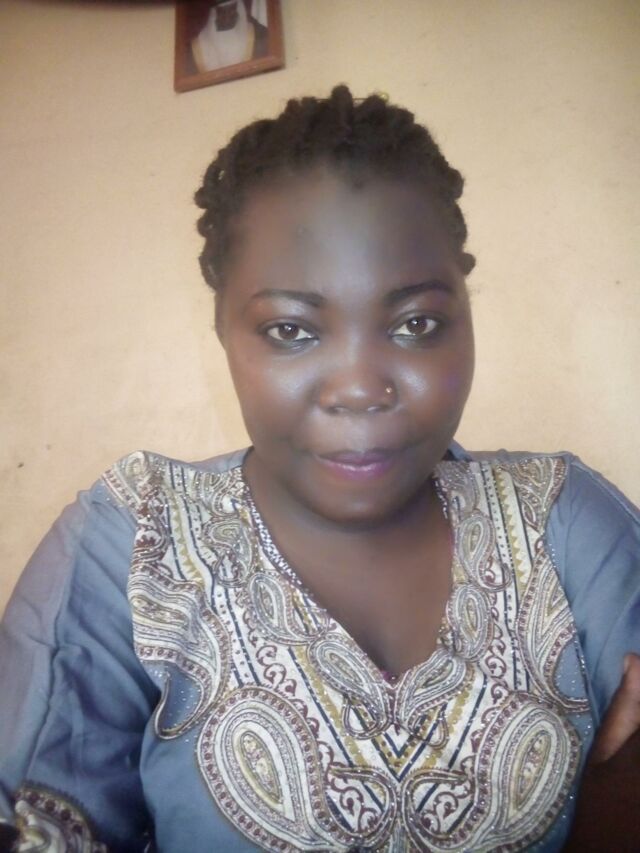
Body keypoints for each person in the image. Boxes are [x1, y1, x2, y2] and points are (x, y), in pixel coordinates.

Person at [0, 86, 639, 852]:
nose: (360, 387)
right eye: (292, 330)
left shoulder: (563, 519)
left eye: (416, 322)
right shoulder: (131, 544)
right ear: (223, 329)